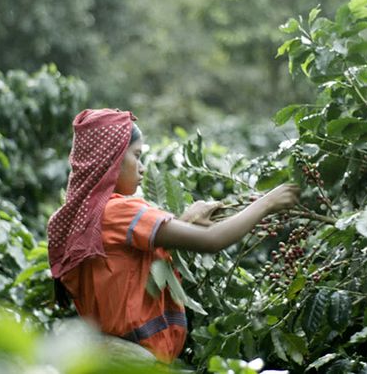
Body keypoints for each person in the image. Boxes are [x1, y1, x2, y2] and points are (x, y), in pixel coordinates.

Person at [47, 109, 300, 363]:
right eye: (137, 156)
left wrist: (185, 222)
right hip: (135, 360)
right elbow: (213, 241)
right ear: (111, 161)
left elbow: (129, 263)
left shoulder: (92, 216)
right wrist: (268, 202)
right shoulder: (119, 211)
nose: (143, 168)